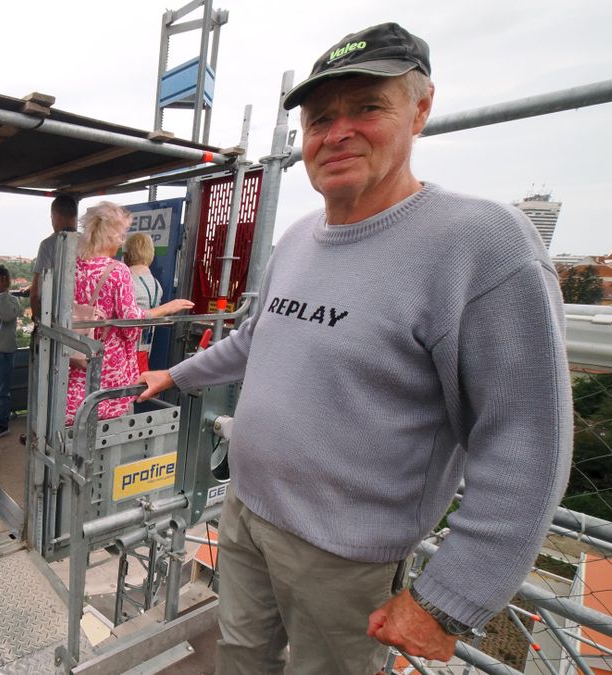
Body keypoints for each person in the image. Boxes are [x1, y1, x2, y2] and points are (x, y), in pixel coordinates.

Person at [137, 23, 572, 672]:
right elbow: (258, 341)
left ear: (420, 109)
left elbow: (527, 441)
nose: (335, 132)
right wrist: (175, 374)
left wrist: (450, 600)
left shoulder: (482, 246)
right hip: (246, 510)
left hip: (344, 557)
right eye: (319, 119)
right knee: (239, 656)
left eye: (367, 107)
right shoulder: (299, 239)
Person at [65, 202, 144, 425]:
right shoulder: (118, 271)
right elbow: (131, 327)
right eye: (122, 235)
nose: (122, 242)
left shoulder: (72, 266)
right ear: (111, 235)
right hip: (106, 372)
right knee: (105, 440)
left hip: (73, 365)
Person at [124, 232, 194, 371]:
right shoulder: (156, 284)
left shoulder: (125, 279)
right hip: (145, 349)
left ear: (127, 254)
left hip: (124, 351)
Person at [0, 265, 21, 438]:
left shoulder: (11, 300)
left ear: (4, 280)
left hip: (2, 353)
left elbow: (7, 316)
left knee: (1, 392)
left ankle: (2, 424)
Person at [31, 194, 78, 318]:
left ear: (56, 216)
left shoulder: (47, 244)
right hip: (82, 316)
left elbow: (37, 288)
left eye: (51, 217)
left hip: (55, 316)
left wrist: (36, 318)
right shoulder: (88, 243)